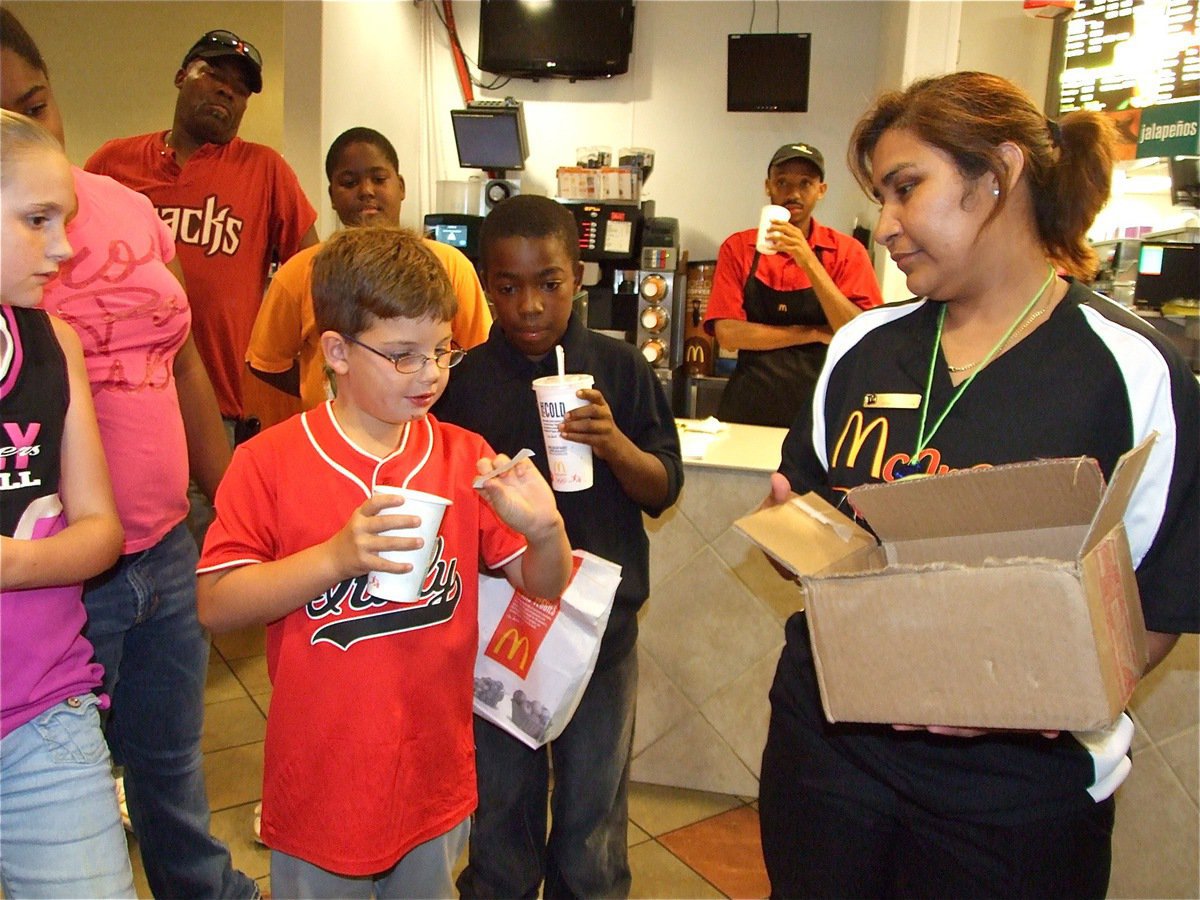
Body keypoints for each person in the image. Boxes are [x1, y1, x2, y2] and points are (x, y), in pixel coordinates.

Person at [757, 71, 1199, 898]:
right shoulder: (863, 349)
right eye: (880, 197)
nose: (886, 225)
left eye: (906, 188)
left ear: (998, 171)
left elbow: (1154, 605)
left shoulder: (1128, 370)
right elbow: (816, 516)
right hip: (830, 757)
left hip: (1017, 791)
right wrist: (798, 541)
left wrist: (1022, 694)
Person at [195, 226, 572, 898]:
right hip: (319, 782)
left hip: (434, 779)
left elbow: (541, 589)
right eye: (402, 355)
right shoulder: (270, 462)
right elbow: (218, 604)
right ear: (336, 351)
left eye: (441, 351)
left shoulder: (464, 455)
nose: (428, 374)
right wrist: (336, 557)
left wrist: (545, 532)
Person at [0, 11, 261, 898]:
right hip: (63, 573)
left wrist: (228, 496)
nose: (29, 133)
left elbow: (182, 353)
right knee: (67, 776)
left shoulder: (124, 209)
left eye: (36, 103)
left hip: (165, 538)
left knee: (169, 755)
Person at [436, 194, 684, 899]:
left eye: (548, 283)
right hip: (497, 625)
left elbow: (663, 488)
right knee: (502, 803)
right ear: (486, 286)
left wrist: (614, 444)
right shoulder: (461, 384)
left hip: (600, 629)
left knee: (590, 811)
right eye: (508, 288)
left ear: (578, 276)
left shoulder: (621, 368)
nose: (530, 306)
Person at [0, 108, 134, 899]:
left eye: (66, 220)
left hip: (44, 713)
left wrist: (16, 561)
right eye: (37, 219)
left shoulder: (54, 346)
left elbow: (100, 534)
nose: (64, 246)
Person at [85, 28, 318, 436]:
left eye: (241, 90)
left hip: (218, 406)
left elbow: (313, 273)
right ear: (181, 77)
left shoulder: (264, 170)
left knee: (213, 502)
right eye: (214, 76)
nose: (228, 93)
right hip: (116, 397)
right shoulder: (113, 162)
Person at [247, 126, 492, 409]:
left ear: (400, 186)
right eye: (349, 183)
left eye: (378, 179)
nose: (366, 191)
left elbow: (478, 357)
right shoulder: (300, 271)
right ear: (331, 195)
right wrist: (322, 388)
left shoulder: (452, 265)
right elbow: (267, 362)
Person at [704, 141, 883, 427]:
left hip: (822, 410)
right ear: (768, 186)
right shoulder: (738, 248)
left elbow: (861, 334)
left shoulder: (847, 252)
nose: (793, 193)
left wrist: (808, 261)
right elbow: (728, 334)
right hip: (747, 408)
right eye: (783, 182)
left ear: (821, 190)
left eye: (805, 183)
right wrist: (811, 332)